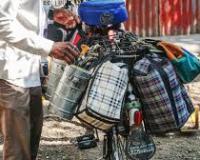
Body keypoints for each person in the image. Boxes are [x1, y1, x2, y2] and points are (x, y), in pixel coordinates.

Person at [0, 0, 80, 159]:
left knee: (32, 137)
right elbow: (2, 23)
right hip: (9, 74)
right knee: (18, 149)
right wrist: (48, 47)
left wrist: (50, 12)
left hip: (28, 70)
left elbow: (22, 10)